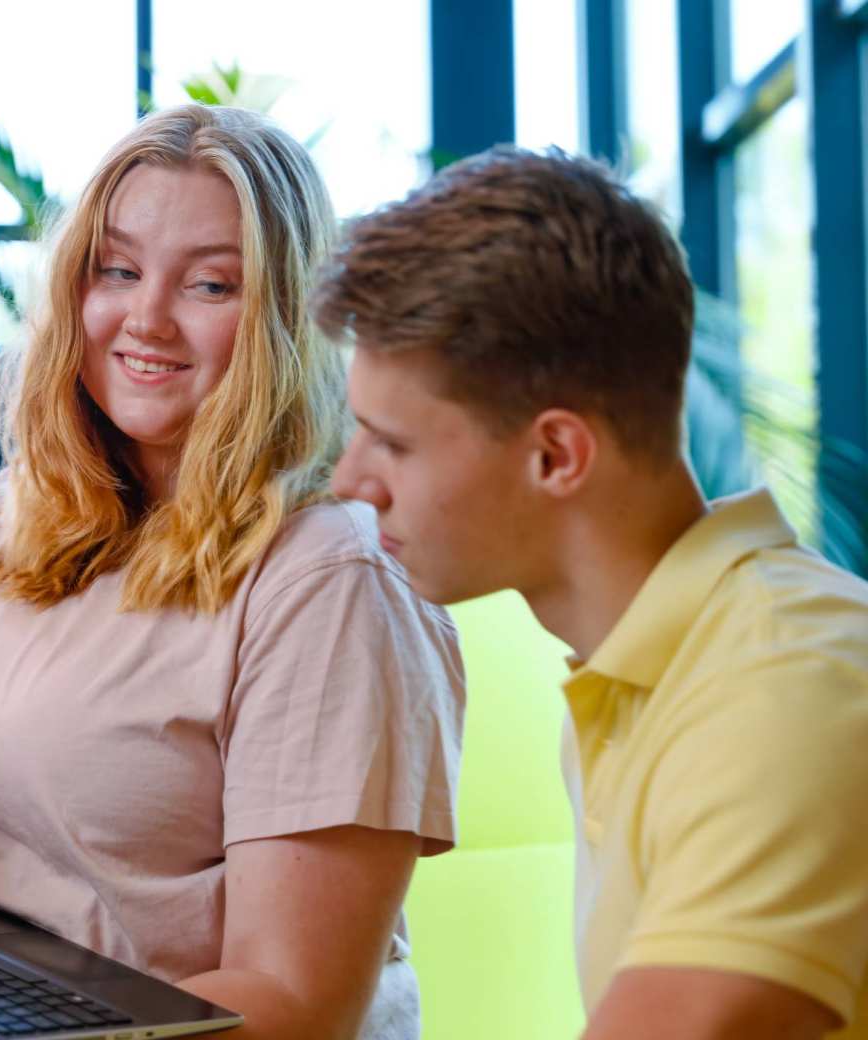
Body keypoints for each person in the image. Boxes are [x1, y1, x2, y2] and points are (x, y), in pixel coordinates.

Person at [0, 104, 465, 1040]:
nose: (147, 319)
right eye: (117, 270)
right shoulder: (4, 518)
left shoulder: (332, 577)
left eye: (211, 285)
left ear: (285, 317)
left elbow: (297, 1005)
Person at [314, 145, 868, 1039]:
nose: (349, 481)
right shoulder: (659, 665)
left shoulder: (780, 688)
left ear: (556, 456)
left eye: (393, 445)